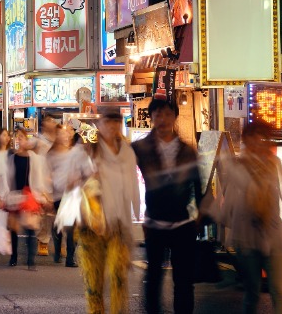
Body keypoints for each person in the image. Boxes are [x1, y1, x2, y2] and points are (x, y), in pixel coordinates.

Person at [220, 121, 282, 314]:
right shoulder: (237, 165)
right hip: (246, 235)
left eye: (263, 137)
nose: (259, 141)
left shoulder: (274, 163)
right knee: (252, 293)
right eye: (253, 136)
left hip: (273, 234)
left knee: (279, 291)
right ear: (246, 140)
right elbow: (230, 197)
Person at [132, 98, 202, 314]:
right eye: (158, 114)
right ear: (150, 117)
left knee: (184, 281)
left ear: (174, 117)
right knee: (153, 277)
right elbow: (120, 172)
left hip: (183, 223)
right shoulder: (139, 148)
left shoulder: (187, 150)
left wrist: (201, 214)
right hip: (154, 222)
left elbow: (197, 184)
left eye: (167, 114)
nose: (162, 119)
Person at [70, 111, 140, 314]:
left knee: (119, 279)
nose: (112, 126)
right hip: (92, 228)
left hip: (118, 226)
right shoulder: (87, 151)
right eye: (107, 122)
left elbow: (133, 186)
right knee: (94, 284)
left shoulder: (127, 152)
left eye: (116, 122)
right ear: (100, 125)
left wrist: (136, 215)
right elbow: (73, 185)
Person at [0, 127, 51, 271]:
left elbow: (39, 176)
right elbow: (5, 178)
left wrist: (43, 194)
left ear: (27, 139)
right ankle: (14, 257)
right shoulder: (12, 158)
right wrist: (1, 195)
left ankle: (30, 260)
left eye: (21, 137)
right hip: (14, 195)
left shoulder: (35, 158)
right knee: (13, 227)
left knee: (30, 227)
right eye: (17, 137)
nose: (19, 140)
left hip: (30, 195)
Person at [47, 124, 77, 267]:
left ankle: (70, 258)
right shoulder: (51, 154)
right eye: (59, 134)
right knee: (59, 227)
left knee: (71, 227)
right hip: (57, 196)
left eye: (64, 134)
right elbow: (45, 173)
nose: (63, 136)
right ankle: (58, 252)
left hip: (71, 196)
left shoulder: (72, 153)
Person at [35, 115, 59, 256]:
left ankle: (59, 242)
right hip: (43, 182)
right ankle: (43, 241)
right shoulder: (39, 142)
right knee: (43, 215)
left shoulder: (59, 140)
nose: (51, 123)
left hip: (58, 183)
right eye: (48, 121)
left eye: (52, 121)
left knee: (58, 214)